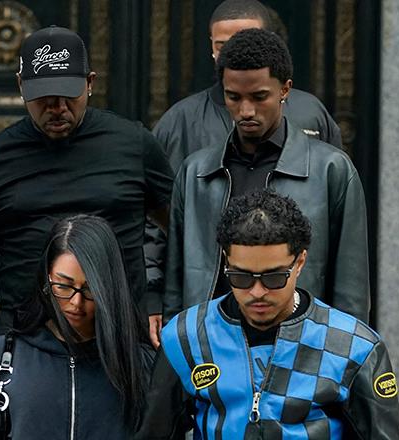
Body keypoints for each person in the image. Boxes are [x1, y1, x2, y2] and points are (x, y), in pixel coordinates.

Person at [0, 25, 173, 398]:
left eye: (68, 95)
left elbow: (182, 233)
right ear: (21, 86)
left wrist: (165, 302)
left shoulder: (134, 145)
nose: (57, 108)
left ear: (90, 83)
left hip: (118, 344)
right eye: (43, 98)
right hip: (26, 345)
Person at [144, 0, 342, 345]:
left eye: (259, 96)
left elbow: (343, 248)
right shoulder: (181, 126)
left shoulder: (315, 124)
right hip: (213, 321)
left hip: (300, 322)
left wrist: (344, 340)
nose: (246, 110)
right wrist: (155, 297)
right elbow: (161, 224)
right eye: (223, 44)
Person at [138, 190, 399, 439]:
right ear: (226, 261)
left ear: (300, 263)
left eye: (274, 277)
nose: (257, 292)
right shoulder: (186, 337)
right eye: (241, 277)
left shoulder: (356, 347)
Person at [164, 28, 369, 323]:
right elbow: (176, 282)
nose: (246, 111)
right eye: (233, 97)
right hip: (213, 338)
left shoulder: (331, 170)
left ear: (285, 90)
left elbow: (351, 289)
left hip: (304, 339)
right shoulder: (195, 172)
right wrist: (178, 340)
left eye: (259, 97)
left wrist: (344, 347)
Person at [0, 215, 153, 439]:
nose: (76, 302)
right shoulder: (5, 358)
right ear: (46, 280)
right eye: (63, 286)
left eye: (90, 290)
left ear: (109, 288)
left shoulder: (140, 365)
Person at [153, 0, 341, 172]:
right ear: (211, 45)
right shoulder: (179, 121)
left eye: (249, 42)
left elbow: (335, 179)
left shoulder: (310, 112)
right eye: (222, 46)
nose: (236, 52)